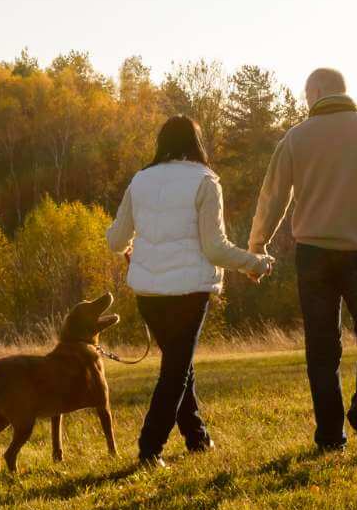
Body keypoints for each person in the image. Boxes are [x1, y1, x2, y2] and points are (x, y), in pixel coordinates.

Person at [247, 68, 357, 461]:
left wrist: (257, 245)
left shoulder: (296, 138)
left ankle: (329, 436)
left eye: (307, 95)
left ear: (317, 92)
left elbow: (272, 198)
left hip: (313, 254)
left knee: (322, 347)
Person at [106, 116, 274, 468]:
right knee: (176, 371)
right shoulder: (205, 180)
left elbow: (116, 240)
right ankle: (149, 449)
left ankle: (196, 437)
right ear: (196, 143)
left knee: (179, 365)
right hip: (188, 293)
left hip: (149, 295)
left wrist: (134, 247)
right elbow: (215, 248)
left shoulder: (140, 180)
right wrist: (254, 263)